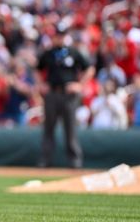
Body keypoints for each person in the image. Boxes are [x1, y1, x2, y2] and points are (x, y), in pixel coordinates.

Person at [34, 23, 95, 168]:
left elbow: (89, 69)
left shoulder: (73, 52)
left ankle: (74, 161)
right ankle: (45, 160)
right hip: (52, 94)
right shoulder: (48, 53)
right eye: (57, 35)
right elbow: (37, 69)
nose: (59, 38)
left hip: (69, 96)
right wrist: (41, 84)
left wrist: (79, 85)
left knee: (71, 129)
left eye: (62, 35)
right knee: (48, 128)